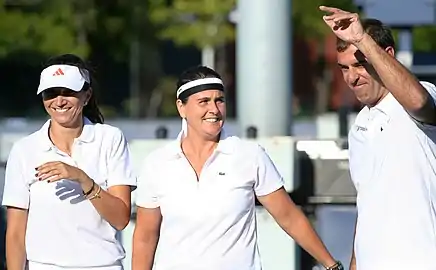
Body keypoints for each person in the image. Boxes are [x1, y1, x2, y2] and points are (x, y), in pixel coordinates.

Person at [132, 65, 344, 270]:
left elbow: (289, 217)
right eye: (204, 101)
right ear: (181, 107)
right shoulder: (157, 163)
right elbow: (145, 236)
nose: (214, 110)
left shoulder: (249, 155)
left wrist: (331, 265)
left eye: (220, 100)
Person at [320, 5, 436, 270]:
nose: (351, 78)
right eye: (344, 68)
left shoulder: (420, 94)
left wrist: (362, 38)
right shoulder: (359, 126)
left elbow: (418, 102)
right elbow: (368, 206)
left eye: (360, 64)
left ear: (387, 56)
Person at [2, 54, 137, 270]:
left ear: (87, 96)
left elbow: (121, 218)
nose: (59, 100)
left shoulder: (110, 139)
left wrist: (82, 179)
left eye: (68, 92)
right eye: (51, 93)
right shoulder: (24, 150)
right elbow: (16, 234)